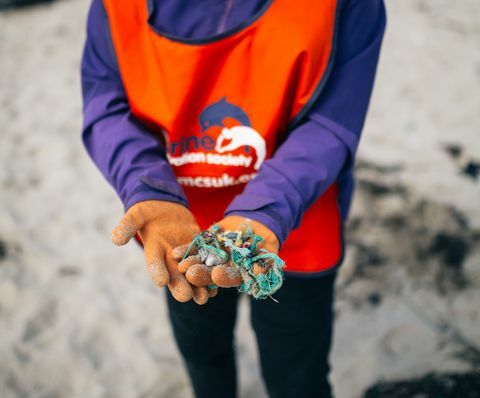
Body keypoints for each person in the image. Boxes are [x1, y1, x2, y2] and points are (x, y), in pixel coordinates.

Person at [81, 0, 386, 396]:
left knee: (297, 374)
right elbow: (106, 107)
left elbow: (330, 124)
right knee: (203, 356)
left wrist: (265, 208)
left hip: (299, 218)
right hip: (179, 230)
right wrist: (149, 186)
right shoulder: (116, 8)